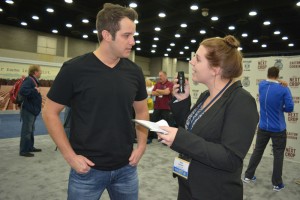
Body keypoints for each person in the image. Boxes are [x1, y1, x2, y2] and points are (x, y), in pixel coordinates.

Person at [42, 3, 149, 200]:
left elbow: (142, 111)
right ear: (107, 35)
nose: (133, 41)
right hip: (87, 171)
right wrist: (70, 156)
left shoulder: (134, 72)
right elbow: (50, 112)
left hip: (126, 169)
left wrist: (142, 146)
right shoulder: (74, 69)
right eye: (127, 35)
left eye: (133, 35)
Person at [157, 35, 259, 200]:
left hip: (214, 192)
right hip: (189, 186)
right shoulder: (206, 95)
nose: (191, 62)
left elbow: (230, 158)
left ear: (215, 68)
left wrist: (179, 138)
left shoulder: (241, 101)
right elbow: (193, 132)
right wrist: (182, 102)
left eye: (197, 59)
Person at [243, 66, 294, 191]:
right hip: (278, 129)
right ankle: (277, 184)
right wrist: (281, 108)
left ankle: (248, 176)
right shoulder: (284, 88)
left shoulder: (262, 85)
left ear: (268, 74)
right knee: (278, 155)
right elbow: (290, 108)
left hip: (263, 127)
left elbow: (269, 82)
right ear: (278, 75)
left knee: (257, 151)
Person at [19, 65, 42, 157]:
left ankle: (30, 147)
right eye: (40, 71)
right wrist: (35, 90)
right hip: (28, 109)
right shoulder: (29, 80)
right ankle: (23, 151)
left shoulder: (33, 80)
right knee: (27, 130)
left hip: (32, 109)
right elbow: (22, 91)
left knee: (31, 130)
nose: (41, 72)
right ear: (35, 72)